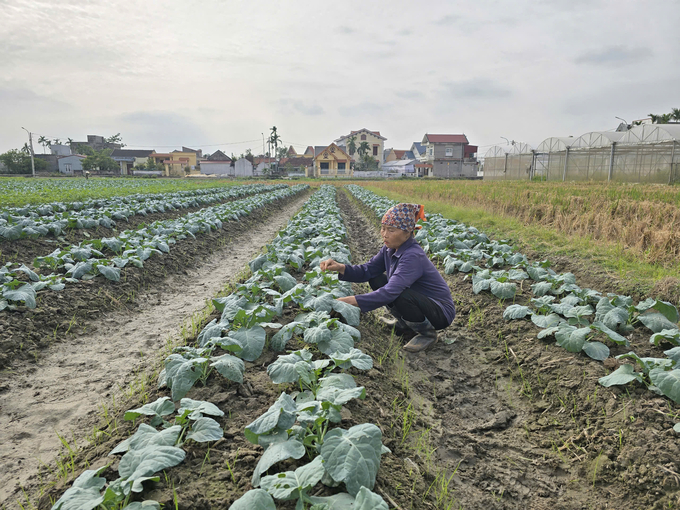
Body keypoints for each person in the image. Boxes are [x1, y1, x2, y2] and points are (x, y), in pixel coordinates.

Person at [320, 203, 455, 353]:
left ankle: (427, 333)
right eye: (383, 228)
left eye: (391, 230)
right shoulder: (389, 249)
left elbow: (390, 292)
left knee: (399, 293)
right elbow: (368, 270)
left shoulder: (413, 255)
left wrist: (349, 301)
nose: (384, 234)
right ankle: (404, 324)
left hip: (439, 312)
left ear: (408, 232)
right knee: (376, 278)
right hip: (419, 301)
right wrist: (341, 267)